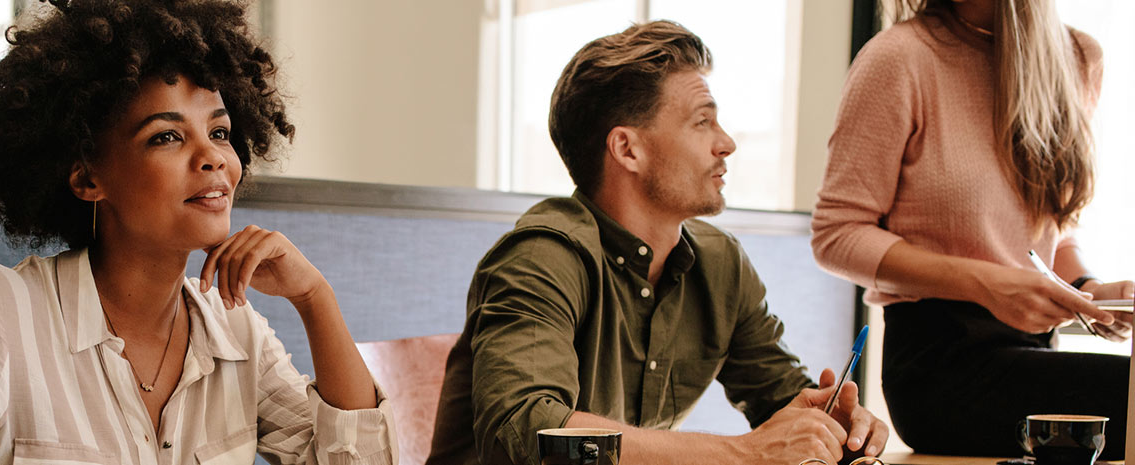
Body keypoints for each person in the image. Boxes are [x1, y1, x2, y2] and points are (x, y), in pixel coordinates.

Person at [0, 1, 397, 464]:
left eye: (219, 132)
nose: (212, 156)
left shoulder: (237, 333)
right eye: (166, 136)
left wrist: (313, 297)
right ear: (88, 177)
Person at [426, 21, 890, 465]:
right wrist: (742, 454)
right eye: (701, 122)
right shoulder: (541, 258)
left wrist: (830, 425)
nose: (726, 143)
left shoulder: (719, 264)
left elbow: (780, 399)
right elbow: (529, 436)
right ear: (628, 149)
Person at [812, 0, 1134, 457]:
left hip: (1033, 353)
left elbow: (1050, 229)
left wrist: (1089, 290)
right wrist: (985, 284)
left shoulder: (1079, 58)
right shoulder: (898, 57)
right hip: (941, 369)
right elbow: (837, 233)